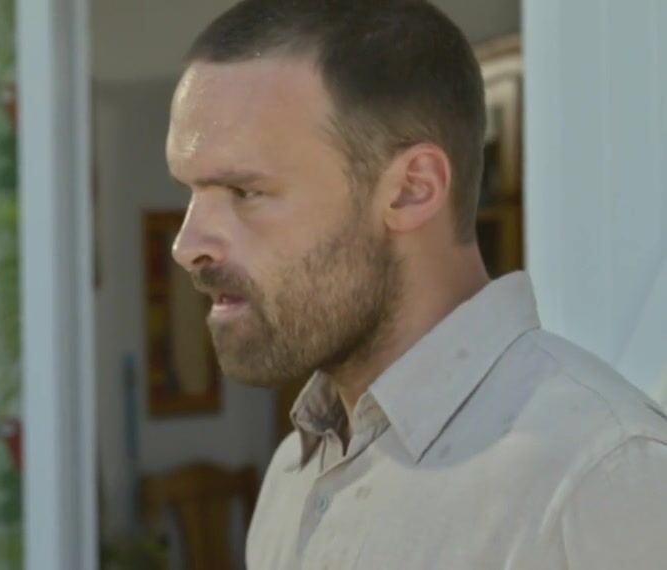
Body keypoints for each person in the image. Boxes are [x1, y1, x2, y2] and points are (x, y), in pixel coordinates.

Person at [165, 0, 667, 567]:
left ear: (412, 190)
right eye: (191, 191)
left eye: (245, 191)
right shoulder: (292, 477)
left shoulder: (600, 480)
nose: (187, 245)